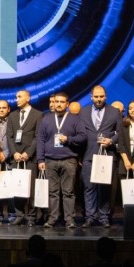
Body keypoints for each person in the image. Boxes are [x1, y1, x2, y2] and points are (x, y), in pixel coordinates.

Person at [37, 92, 86, 229]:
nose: (58, 104)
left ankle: (69, 220)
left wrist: (69, 139)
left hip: (69, 160)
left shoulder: (74, 119)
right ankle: (52, 219)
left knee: (68, 192)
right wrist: (40, 159)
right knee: (52, 192)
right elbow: (40, 140)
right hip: (50, 160)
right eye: (56, 101)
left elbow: (83, 137)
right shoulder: (46, 119)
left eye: (62, 102)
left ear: (67, 104)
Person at [78, 85, 122, 227]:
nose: (98, 99)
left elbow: (122, 132)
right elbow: (79, 133)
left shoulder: (114, 112)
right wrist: (79, 155)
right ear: (91, 97)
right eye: (96, 96)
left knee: (105, 188)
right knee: (88, 188)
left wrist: (111, 141)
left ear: (106, 96)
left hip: (107, 155)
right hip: (88, 154)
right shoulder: (83, 112)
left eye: (101, 96)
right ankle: (90, 217)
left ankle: (104, 217)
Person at [6, 89, 43, 226]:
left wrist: (29, 153)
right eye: (16, 97)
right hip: (16, 157)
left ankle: (31, 216)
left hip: (30, 158)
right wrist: (14, 153)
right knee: (18, 187)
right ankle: (19, 215)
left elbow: (38, 136)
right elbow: (9, 136)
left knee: (31, 188)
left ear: (28, 98)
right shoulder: (12, 115)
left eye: (19, 97)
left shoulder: (38, 114)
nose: (16, 99)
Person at [0, 99, 16, 223]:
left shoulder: (14, 121)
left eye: (4, 108)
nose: (1, 110)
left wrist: (5, 154)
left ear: (8, 109)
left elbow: (16, 140)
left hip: (10, 159)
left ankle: (12, 214)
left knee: (11, 188)